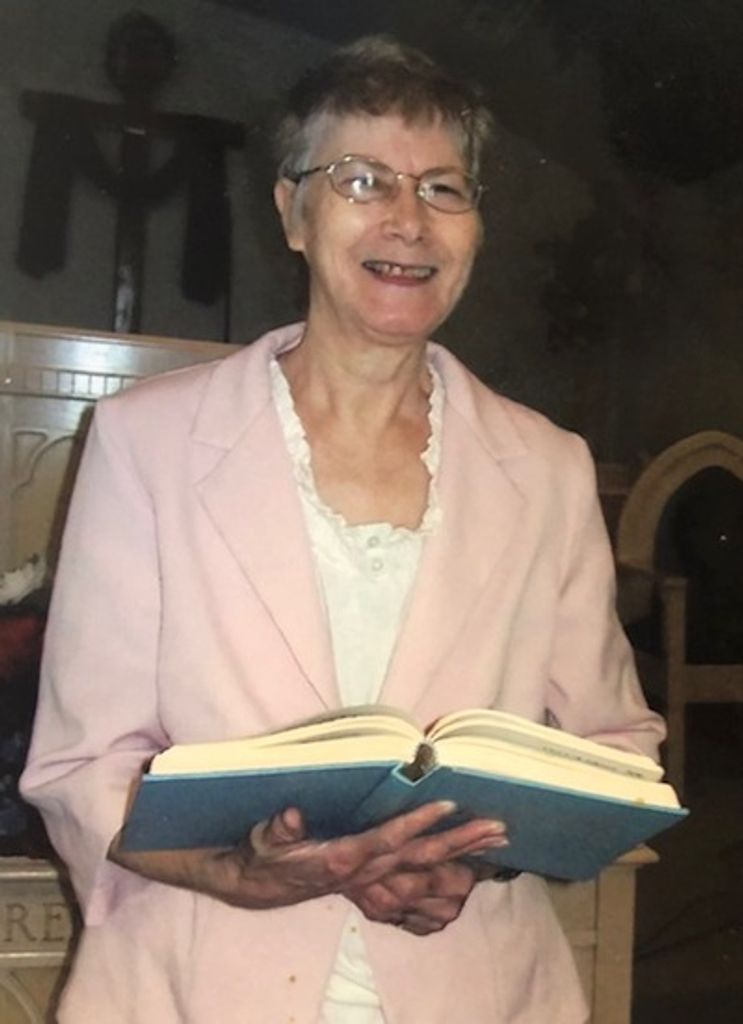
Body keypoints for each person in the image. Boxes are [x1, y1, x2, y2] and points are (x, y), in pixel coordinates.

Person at [20, 35, 665, 1024]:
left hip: (469, 983)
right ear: (292, 211)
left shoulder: (546, 467)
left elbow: (614, 746)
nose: (408, 219)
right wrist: (228, 870)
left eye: (443, 188)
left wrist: (477, 861)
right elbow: (80, 762)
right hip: (196, 978)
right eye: (362, 179)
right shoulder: (146, 442)